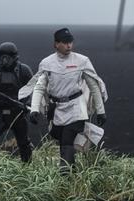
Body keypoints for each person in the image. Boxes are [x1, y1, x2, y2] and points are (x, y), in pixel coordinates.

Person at [20, 27, 107, 175]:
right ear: (56, 44)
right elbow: (40, 87)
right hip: (57, 108)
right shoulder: (47, 63)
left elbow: (94, 86)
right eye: (65, 43)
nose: (69, 46)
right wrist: (34, 109)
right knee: (59, 137)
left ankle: (65, 174)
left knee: (67, 139)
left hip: (76, 108)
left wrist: (101, 111)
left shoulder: (82, 61)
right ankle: (73, 173)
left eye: (70, 42)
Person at [0, 42, 33, 162]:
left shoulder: (24, 70)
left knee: (23, 142)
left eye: (7, 57)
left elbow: (34, 89)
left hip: (18, 112)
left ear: (15, 57)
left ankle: (27, 169)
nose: (4, 60)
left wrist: (28, 105)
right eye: (2, 57)